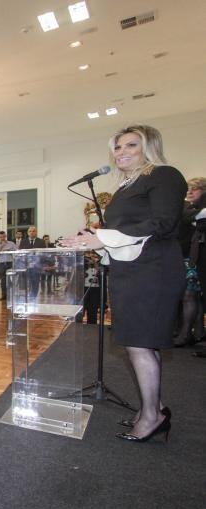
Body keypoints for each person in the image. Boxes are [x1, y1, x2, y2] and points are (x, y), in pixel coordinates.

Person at [60, 124, 185, 442]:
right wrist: (90, 240)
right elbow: (124, 232)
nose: (121, 152)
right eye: (117, 147)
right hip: (131, 271)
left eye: (131, 145)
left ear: (149, 147)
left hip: (153, 271)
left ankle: (153, 417)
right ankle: (153, 408)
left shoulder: (164, 175)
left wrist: (101, 239)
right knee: (141, 343)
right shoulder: (126, 187)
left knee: (140, 344)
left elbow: (162, 223)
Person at [174, 177, 206, 345]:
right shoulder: (188, 208)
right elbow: (185, 217)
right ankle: (198, 332)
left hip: (193, 258)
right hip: (187, 257)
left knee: (189, 296)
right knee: (192, 296)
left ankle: (186, 334)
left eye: (195, 188)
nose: (190, 192)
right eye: (189, 189)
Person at [0, 231, 17, 301]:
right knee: (3, 280)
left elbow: (16, 252)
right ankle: (4, 295)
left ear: (6, 236)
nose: (2, 238)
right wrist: (1, 246)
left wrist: (10, 250)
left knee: (11, 280)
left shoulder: (11, 243)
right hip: (1, 264)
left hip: (10, 263)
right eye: (0, 237)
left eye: (4, 236)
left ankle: (11, 295)